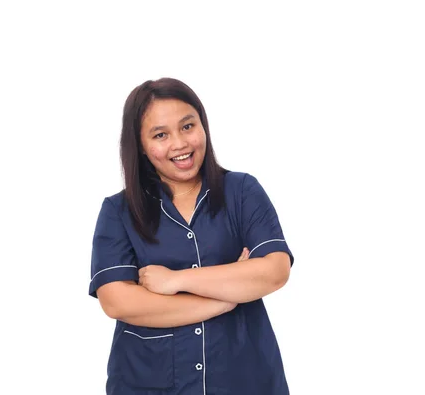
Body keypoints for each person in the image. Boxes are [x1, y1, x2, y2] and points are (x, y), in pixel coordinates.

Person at [88, 77, 294, 395]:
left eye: (188, 127)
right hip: (148, 382)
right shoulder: (119, 211)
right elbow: (118, 301)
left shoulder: (242, 192)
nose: (180, 144)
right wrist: (227, 298)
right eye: (160, 135)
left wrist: (175, 281)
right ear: (140, 146)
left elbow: (274, 271)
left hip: (243, 381)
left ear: (203, 126)